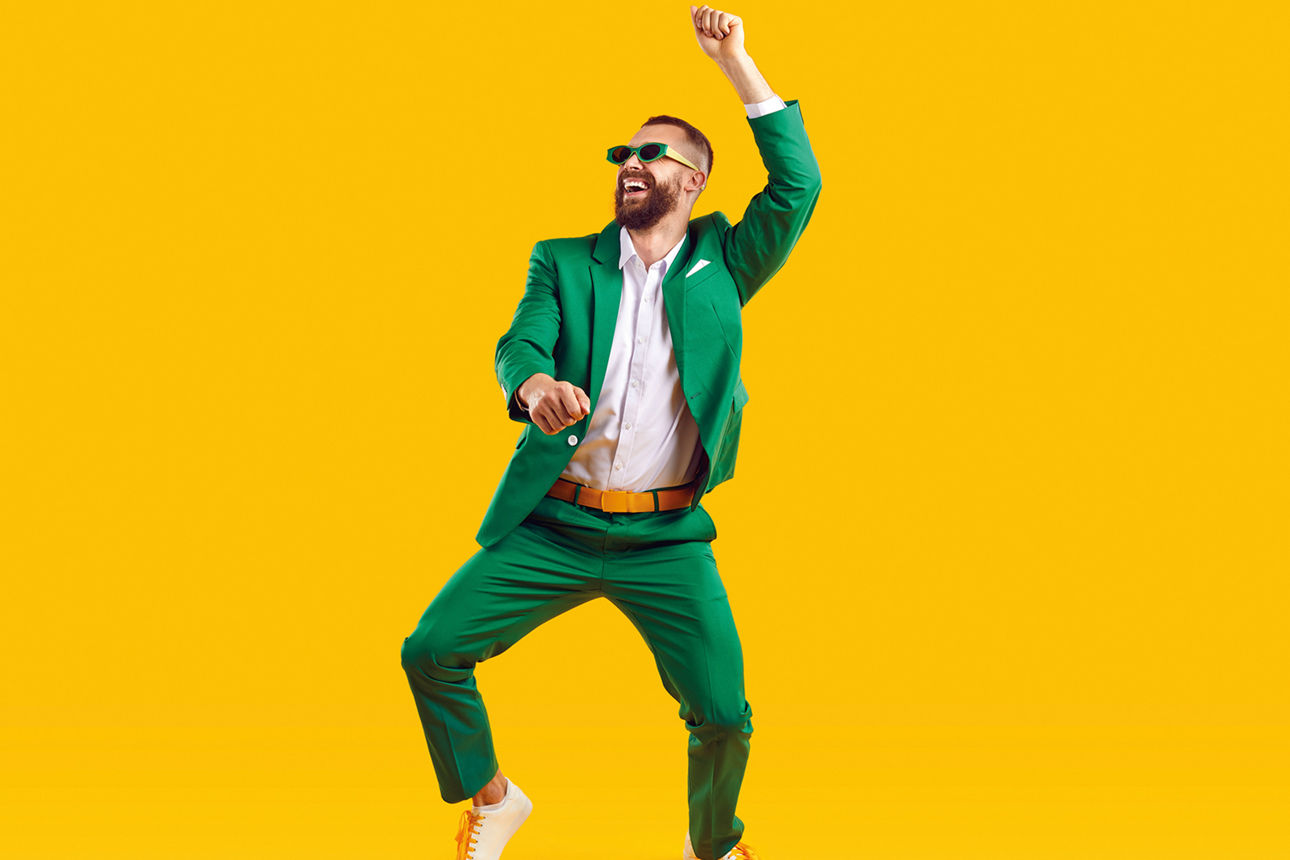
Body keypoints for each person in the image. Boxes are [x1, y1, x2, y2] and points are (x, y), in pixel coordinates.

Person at [400, 5, 821, 859]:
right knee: (432, 650)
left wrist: (736, 63)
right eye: (622, 153)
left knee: (723, 715)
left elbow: (798, 186)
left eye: (651, 153)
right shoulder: (562, 259)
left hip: (666, 537)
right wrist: (533, 385)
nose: (630, 163)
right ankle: (496, 798)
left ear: (694, 181)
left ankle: (714, 846)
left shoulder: (726, 263)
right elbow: (519, 339)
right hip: (555, 522)